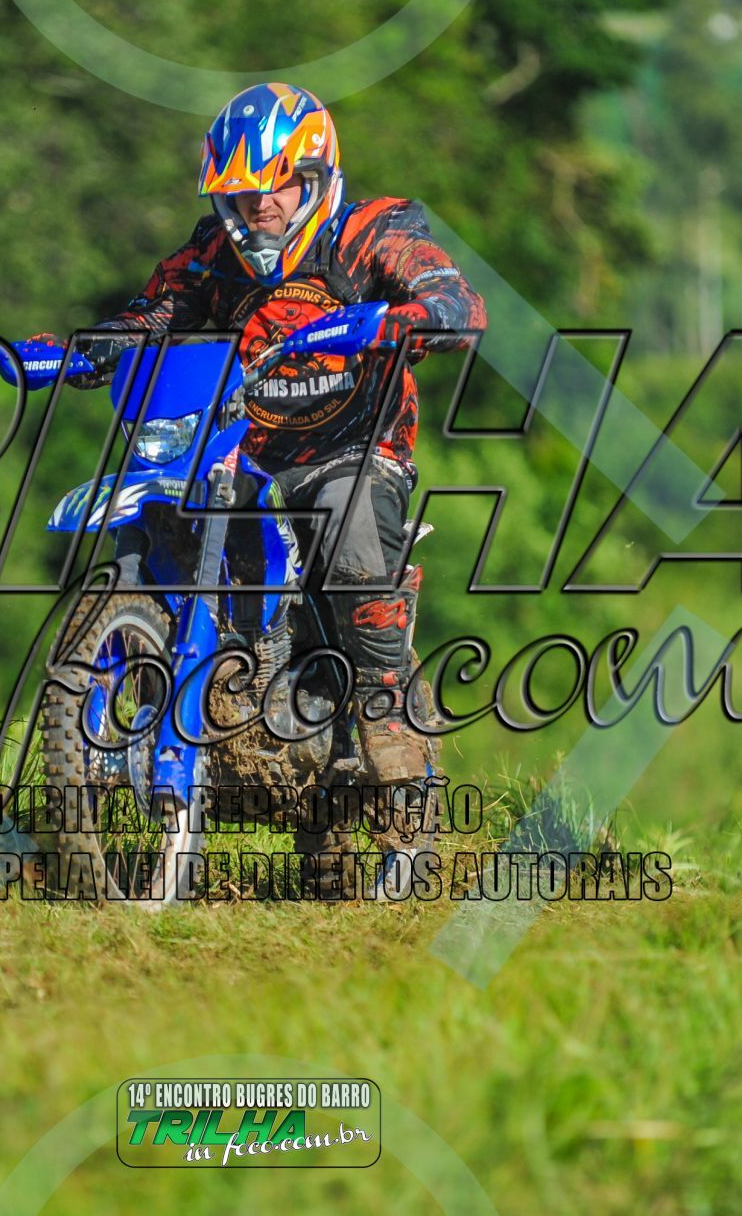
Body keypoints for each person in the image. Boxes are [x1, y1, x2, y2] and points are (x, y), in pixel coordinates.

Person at [42, 81, 486, 887]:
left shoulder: (374, 231)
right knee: (170, 525)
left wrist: (405, 317)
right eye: (241, 196)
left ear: (316, 177)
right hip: (237, 443)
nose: (259, 209)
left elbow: (456, 302)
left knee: (348, 541)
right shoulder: (214, 251)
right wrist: (88, 348)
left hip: (352, 444)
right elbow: (156, 312)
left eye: (276, 188)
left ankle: (391, 739)